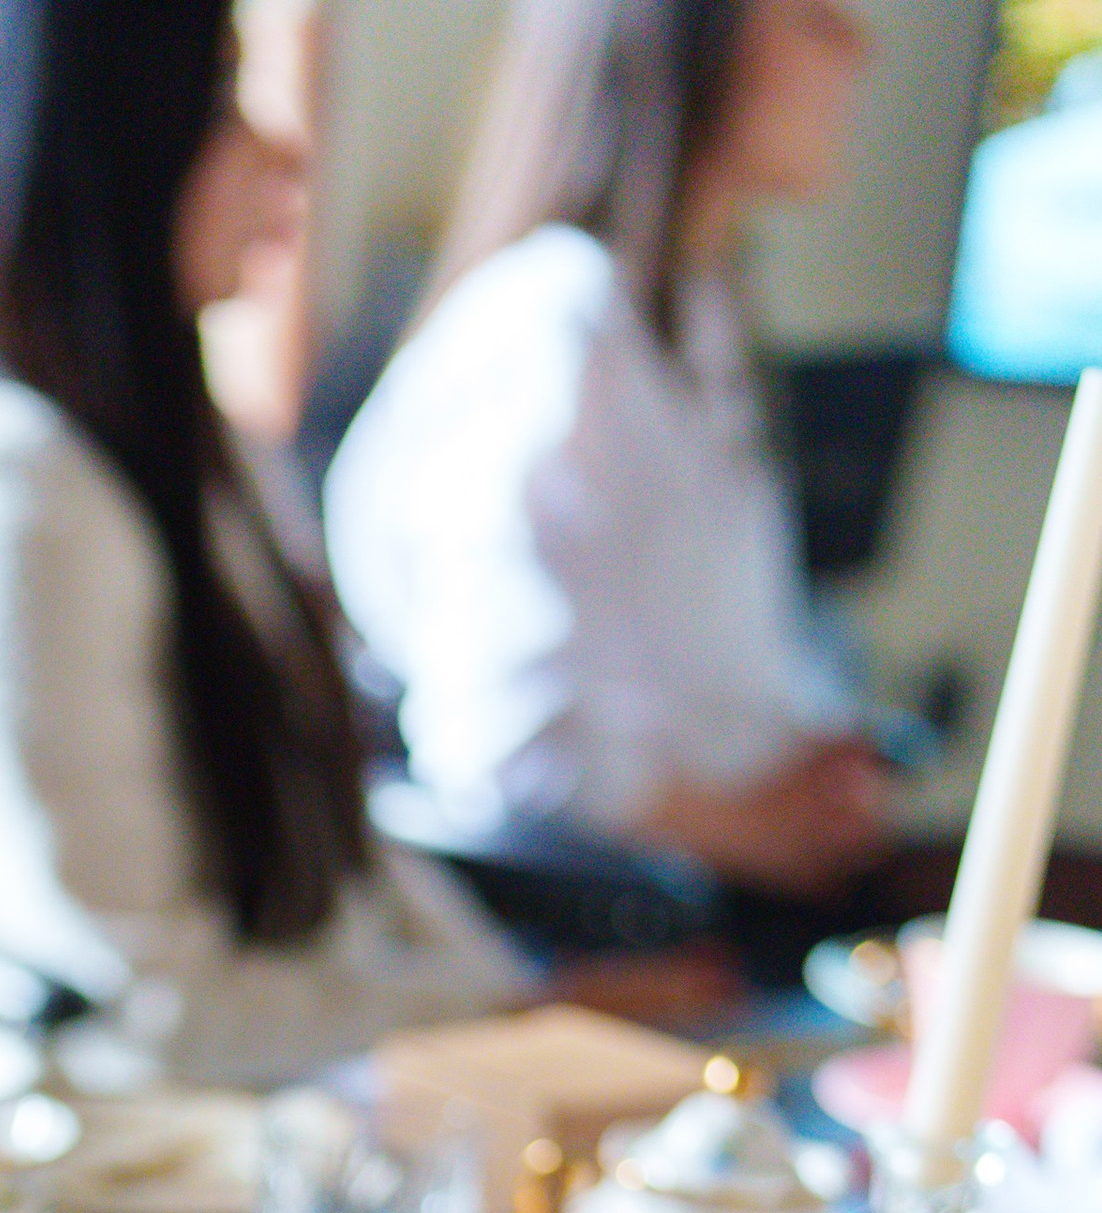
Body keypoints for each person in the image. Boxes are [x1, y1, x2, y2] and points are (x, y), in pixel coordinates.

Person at [0, 0, 542, 1093]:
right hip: (115, 1165)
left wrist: (505, 990)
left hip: (288, 1092)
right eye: (226, 101)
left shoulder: (184, 444)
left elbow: (339, 853)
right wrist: (485, 1013)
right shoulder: (6, 488)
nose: (281, 149)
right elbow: (147, 1017)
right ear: (101, 143)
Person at [324, 0, 895, 919]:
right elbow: (506, 750)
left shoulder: (695, 315)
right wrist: (752, 828)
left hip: (723, 886)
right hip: (639, 923)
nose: (859, 51)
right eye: (813, 15)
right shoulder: (555, 332)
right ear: (687, 32)